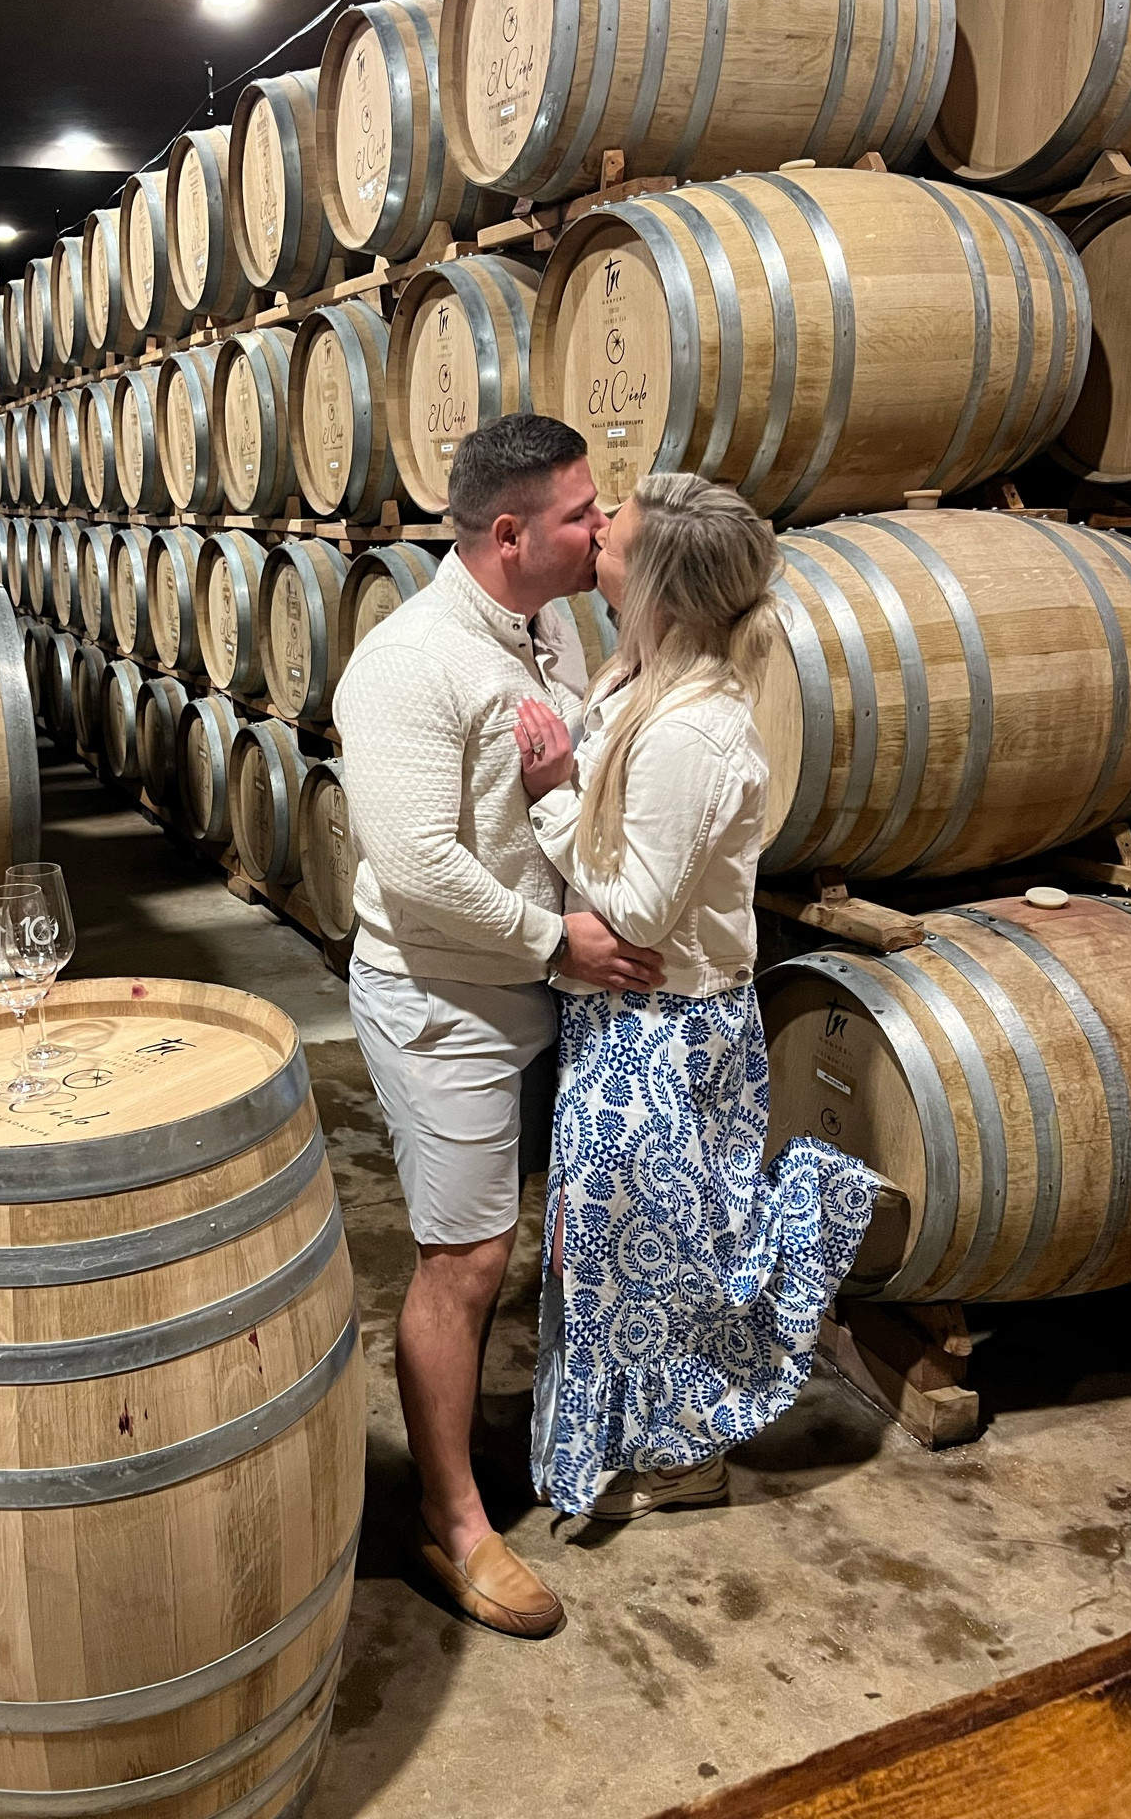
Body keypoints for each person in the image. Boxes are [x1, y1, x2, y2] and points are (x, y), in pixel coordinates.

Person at [335, 414, 665, 1639]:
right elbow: (414, 862)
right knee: (464, 1259)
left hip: (542, 986)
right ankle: (453, 1520)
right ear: (511, 530)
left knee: (536, 1230)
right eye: (584, 513)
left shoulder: (549, 623)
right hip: (446, 1000)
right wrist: (556, 939)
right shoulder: (410, 663)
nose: (605, 529)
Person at [515, 472, 882, 1524]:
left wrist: (548, 800)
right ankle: (643, 1437)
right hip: (629, 1019)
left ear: (662, 586)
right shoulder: (643, 682)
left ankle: (686, 1455)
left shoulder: (692, 731)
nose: (596, 548)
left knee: (659, 1256)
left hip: (665, 1031)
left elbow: (634, 910)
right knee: (622, 1247)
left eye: (614, 542)